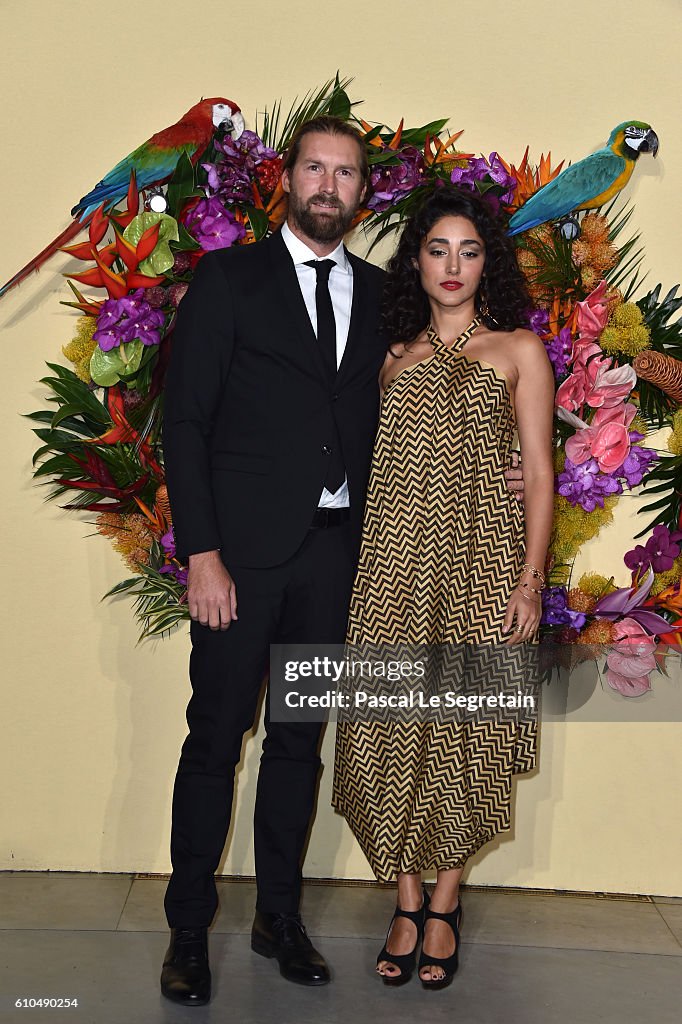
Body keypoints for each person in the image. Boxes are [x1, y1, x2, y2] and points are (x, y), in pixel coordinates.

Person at [161, 118, 526, 1005]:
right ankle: (186, 932)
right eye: (315, 168)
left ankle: (278, 917)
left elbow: (426, 408)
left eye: (347, 172)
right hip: (239, 566)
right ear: (288, 179)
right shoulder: (228, 278)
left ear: (365, 191)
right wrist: (201, 555)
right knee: (215, 743)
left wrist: (509, 461)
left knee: (298, 748)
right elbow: (187, 422)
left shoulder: (384, 298)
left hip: (339, 564)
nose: (330, 185)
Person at [332, 185, 555, 989]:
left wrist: (530, 579)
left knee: (467, 731)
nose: (453, 266)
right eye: (437, 250)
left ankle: (447, 902)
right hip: (394, 568)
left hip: (482, 566)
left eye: (468, 250)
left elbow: (537, 472)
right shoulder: (391, 360)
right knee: (389, 727)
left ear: (487, 260)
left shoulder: (518, 351)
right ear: (416, 262)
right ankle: (404, 899)